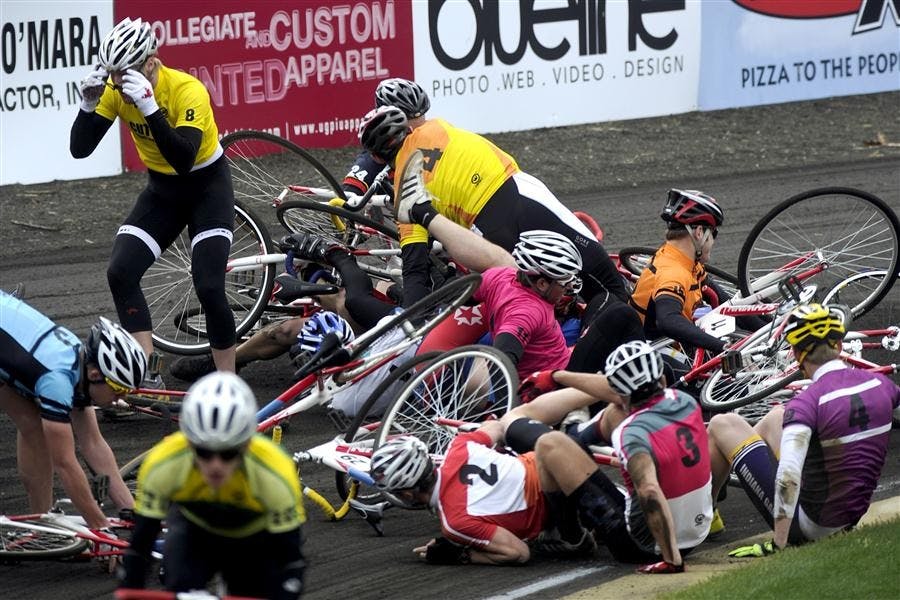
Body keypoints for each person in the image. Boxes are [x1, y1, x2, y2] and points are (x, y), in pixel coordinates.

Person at [70, 17, 237, 373]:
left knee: (208, 287)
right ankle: (146, 371)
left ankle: (228, 382)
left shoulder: (187, 90)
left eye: (126, 72)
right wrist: (87, 107)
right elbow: (79, 150)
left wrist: (151, 110)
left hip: (207, 187)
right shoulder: (117, 92)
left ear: (152, 62)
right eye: (113, 73)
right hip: (163, 192)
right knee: (121, 271)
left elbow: (183, 159)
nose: (118, 82)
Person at [357, 106, 630, 308]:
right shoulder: (436, 127)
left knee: (543, 305)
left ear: (378, 157)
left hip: (489, 233)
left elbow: (415, 268)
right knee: (604, 278)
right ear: (409, 129)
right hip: (520, 195)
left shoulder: (403, 193)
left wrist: (411, 316)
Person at [501, 340, 714, 571]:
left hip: (647, 546)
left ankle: (569, 538)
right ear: (661, 379)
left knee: (549, 443)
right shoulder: (685, 401)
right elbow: (623, 394)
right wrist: (558, 376)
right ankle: (576, 435)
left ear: (619, 393)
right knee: (613, 414)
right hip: (696, 530)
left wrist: (672, 560)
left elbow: (649, 491)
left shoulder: (631, 431)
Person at [707, 303, 900, 557]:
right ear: (839, 346)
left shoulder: (808, 402)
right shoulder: (881, 384)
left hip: (810, 526)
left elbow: (788, 477)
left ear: (796, 354)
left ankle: (705, 516)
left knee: (723, 423)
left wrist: (779, 543)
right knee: (777, 416)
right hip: (848, 515)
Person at [119, 372, 306, 599]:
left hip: (253, 539)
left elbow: (290, 559)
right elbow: (141, 544)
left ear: (247, 444)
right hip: (194, 532)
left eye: (227, 453)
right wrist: (130, 583)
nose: (215, 465)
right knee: (178, 583)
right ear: (188, 442)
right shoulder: (163, 463)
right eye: (204, 452)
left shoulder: (275, 471)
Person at [0, 291, 146, 529]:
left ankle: (42, 527)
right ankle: (43, 524)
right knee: (37, 430)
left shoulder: (81, 366)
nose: (122, 398)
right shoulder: (57, 382)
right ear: (96, 374)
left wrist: (130, 510)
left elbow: (93, 444)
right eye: (119, 389)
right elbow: (65, 464)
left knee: (31, 425)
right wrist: (100, 527)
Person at [370, 426, 608, 565]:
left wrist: (462, 554)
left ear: (408, 493)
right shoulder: (459, 445)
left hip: (564, 500)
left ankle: (574, 539)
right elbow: (498, 426)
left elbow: (518, 553)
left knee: (544, 544)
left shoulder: (453, 522)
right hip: (557, 454)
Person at [628, 189, 727, 359]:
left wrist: (772, 323)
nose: (713, 241)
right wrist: (723, 347)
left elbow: (725, 302)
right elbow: (668, 321)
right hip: (650, 356)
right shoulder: (673, 272)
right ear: (699, 233)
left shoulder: (685, 260)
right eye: (714, 233)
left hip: (668, 348)